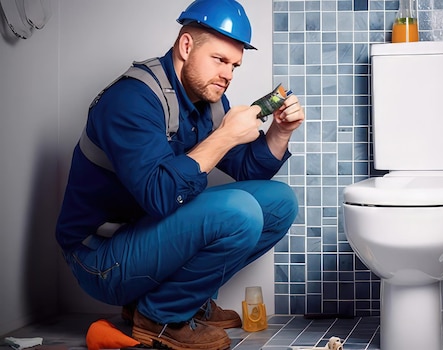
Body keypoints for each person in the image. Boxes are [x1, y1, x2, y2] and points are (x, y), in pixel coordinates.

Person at [55, 0, 303, 349]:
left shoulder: (208, 100)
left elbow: (248, 171)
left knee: (279, 203)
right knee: (240, 211)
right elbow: (159, 195)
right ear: (186, 46)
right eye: (219, 60)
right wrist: (225, 135)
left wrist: (279, 133)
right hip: (99, 257)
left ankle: (188, 303)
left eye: (234, 65)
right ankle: (160, 317)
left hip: (147, 238)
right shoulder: (131, 100)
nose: (228, 75)